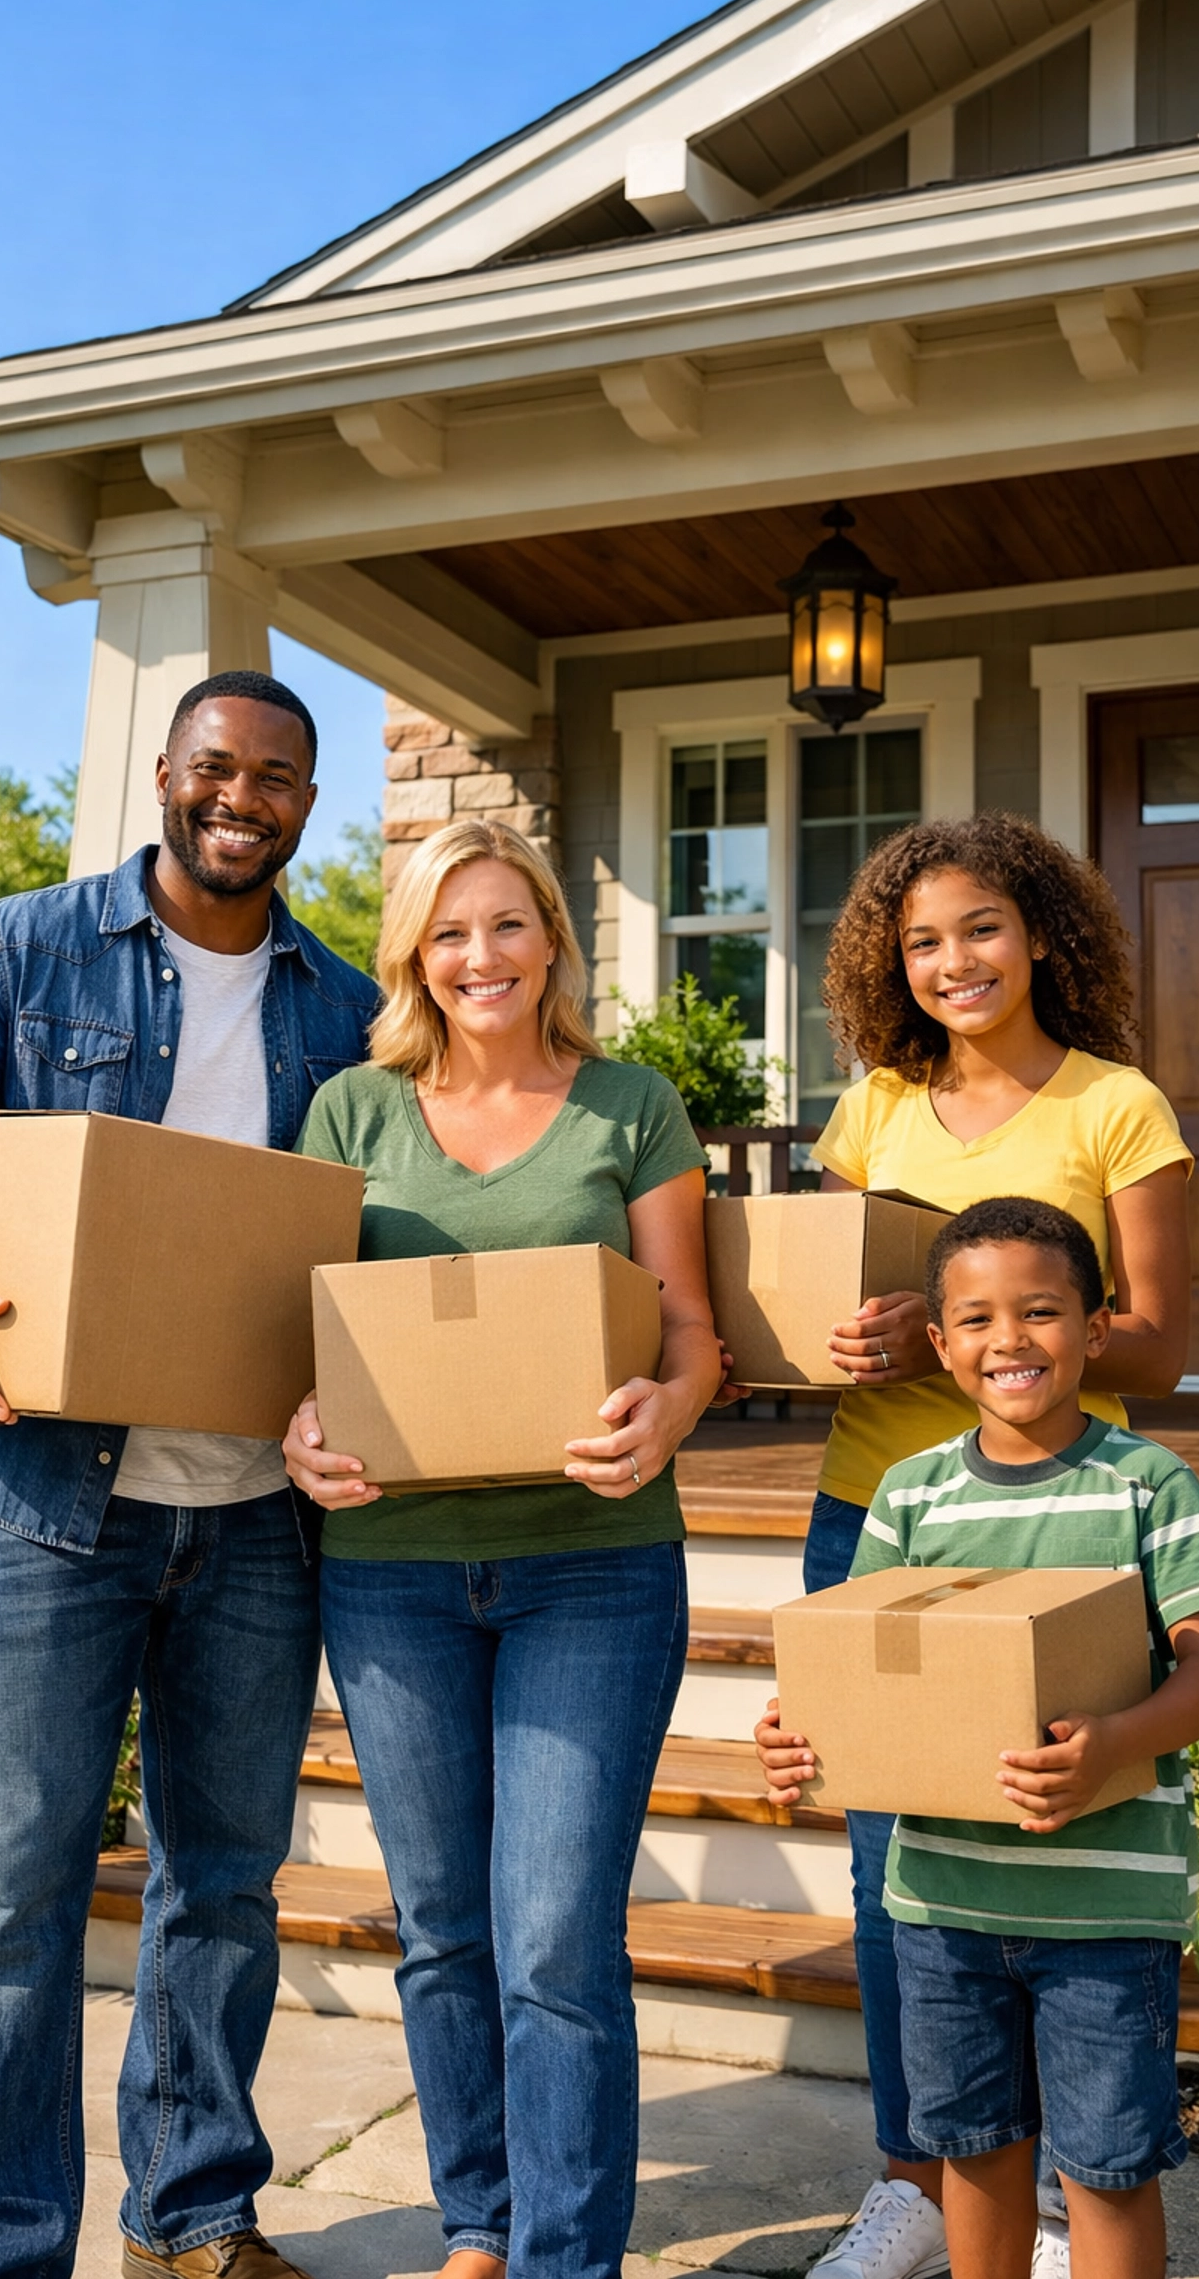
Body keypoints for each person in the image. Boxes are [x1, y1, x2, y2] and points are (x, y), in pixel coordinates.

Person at [0, 671, 379, 2279]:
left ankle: (192, 2220)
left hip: (258, 1514)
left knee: (226, 1886)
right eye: (214, 767)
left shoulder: (344, 1010)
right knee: (10, 1892)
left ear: (307, 807)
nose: (239, 797)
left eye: (274, 776)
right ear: (165, 774)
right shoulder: (18, 949)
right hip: (46, 1504)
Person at [282, 817, 721, 2279]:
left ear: (551, 942)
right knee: (443, 1928)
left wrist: (662, 1419)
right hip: (394, 1573)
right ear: (414, 950)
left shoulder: (630, 1107)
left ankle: (563, 2254)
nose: (481, 956)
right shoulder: (352, 1112)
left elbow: (690, 1334)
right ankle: (481, 2220)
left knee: (551, 1937)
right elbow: (306, 1337)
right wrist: (298, 1432)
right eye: (450, 931)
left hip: (590, 1564)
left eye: (508, 925)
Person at [768, 813, 1196, 2279]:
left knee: (1061, 1819)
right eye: (923, 942)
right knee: (902, 1872)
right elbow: (831, 1310)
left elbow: (1160, 1335)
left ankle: (1087, 2174)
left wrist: (980, 1343)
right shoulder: (874, 1108)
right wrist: (860, 1339)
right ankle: (918, 2180)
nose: (955, 962)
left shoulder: (1116, 1106)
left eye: (983, 930)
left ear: (1043, 937)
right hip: (881, 1518)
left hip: (1056, 1538)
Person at [761, 1197, 1199, 2278]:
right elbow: (856, 1669)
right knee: (975, 2154)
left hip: (1105, 1908)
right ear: (938, 1346)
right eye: (977, 1320)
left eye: (1040, 1312)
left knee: (1109, 2168)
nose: (1009, 1341)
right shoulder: (909, 1496)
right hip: (944, 1902)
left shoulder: (1147, 1486)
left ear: (1095, 1327)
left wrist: (1114, 1740)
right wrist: (799, 1736)